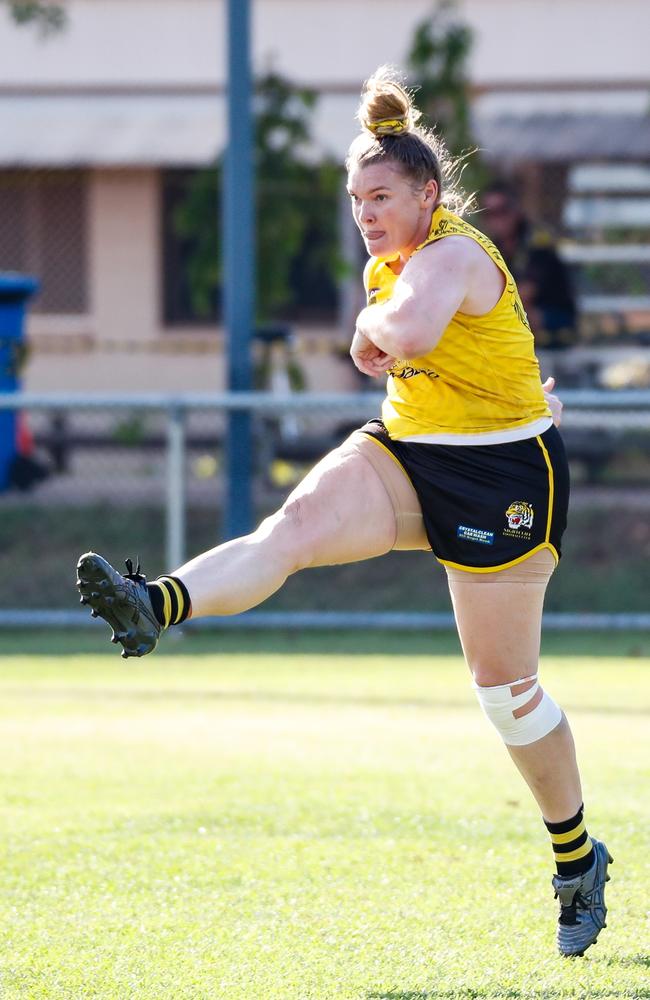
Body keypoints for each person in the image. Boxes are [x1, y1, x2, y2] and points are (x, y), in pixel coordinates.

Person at [77, 68, 611, 958]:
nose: (365, 212)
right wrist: (377, 324)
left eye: (381, 195)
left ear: (428, 194)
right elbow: (399, 336)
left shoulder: (452, 254)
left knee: (507, 694)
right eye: (356, 197)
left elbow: (404, 333)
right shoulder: (388, 264)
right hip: (409, 454)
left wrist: (373, 330)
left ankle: (576, 858)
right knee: (288, 533)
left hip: (505, 479)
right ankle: (156, 601)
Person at [480, 180, 577, 350]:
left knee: (517, 315)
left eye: (502, 211)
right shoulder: (493, 246)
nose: (497, 219)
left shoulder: (538, 242)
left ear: (515, 210)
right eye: (489, 213)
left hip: (555, 317)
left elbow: (525, 293)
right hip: (521, 314)